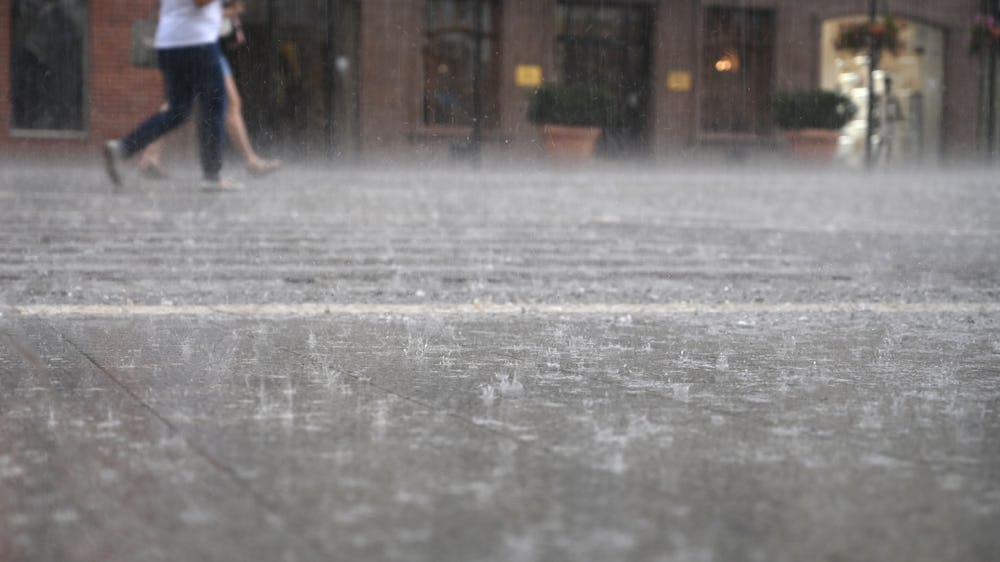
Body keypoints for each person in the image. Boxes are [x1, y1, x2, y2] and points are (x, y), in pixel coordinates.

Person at [138, 0, 281, 179]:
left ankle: (149, 155)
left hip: (197, 44)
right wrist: (230, 11)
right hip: (199, 45)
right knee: (218, 104)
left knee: (181, 105)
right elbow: (197, 8)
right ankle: (242, 163)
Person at [103, 0, 234, 191]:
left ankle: (123, 148)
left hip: (170, 42)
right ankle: (212, 177)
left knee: (177, 111)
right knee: (214, 105)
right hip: (197, 41)